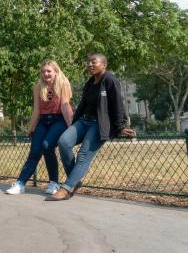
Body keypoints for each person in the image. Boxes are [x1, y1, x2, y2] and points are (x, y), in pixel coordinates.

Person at [46, 53, 135, 201]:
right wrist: (74, 122)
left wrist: (120, 126)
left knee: (83, 155)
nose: (90, 65)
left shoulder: (110, 81)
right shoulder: (90, 82)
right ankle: (74, 181)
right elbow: (83, 104)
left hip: (98, 124)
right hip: (83, 121)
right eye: (88, 62)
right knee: (63, 142)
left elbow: (117, 104)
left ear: (104, 65)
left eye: (94, 62)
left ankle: (66, 188)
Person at [5, 60, 74, 196]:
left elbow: (65, 106)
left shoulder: (63, 84)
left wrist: (72, 127)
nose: (46, 74)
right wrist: (31, 127)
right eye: (43, 71)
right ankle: (20, 183)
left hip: (58, 120)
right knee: (35, 151)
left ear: (56, 72)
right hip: (43, 120)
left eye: (49, 71)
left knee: (47, 145)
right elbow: (36, 110)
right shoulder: (38, 87)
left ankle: (54, 183)